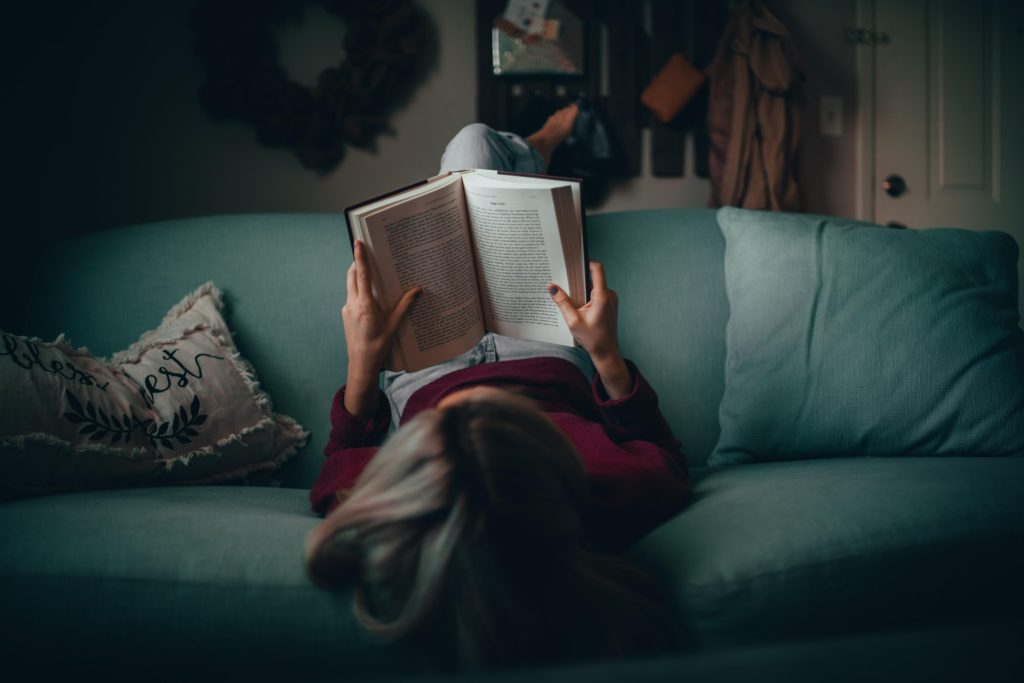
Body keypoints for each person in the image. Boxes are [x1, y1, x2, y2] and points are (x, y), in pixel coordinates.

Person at [304, 111, 692, 669]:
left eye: (449, 426)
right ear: (544, 464)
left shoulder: (393, 506)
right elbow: (668, 458)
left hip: (426, 365)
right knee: (474, 150)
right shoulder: (609, 491)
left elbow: (340, 458)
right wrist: (604, 352)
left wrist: (362, 361)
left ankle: (533, 150)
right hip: (538, 349)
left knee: (468, 152)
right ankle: (539, 149)